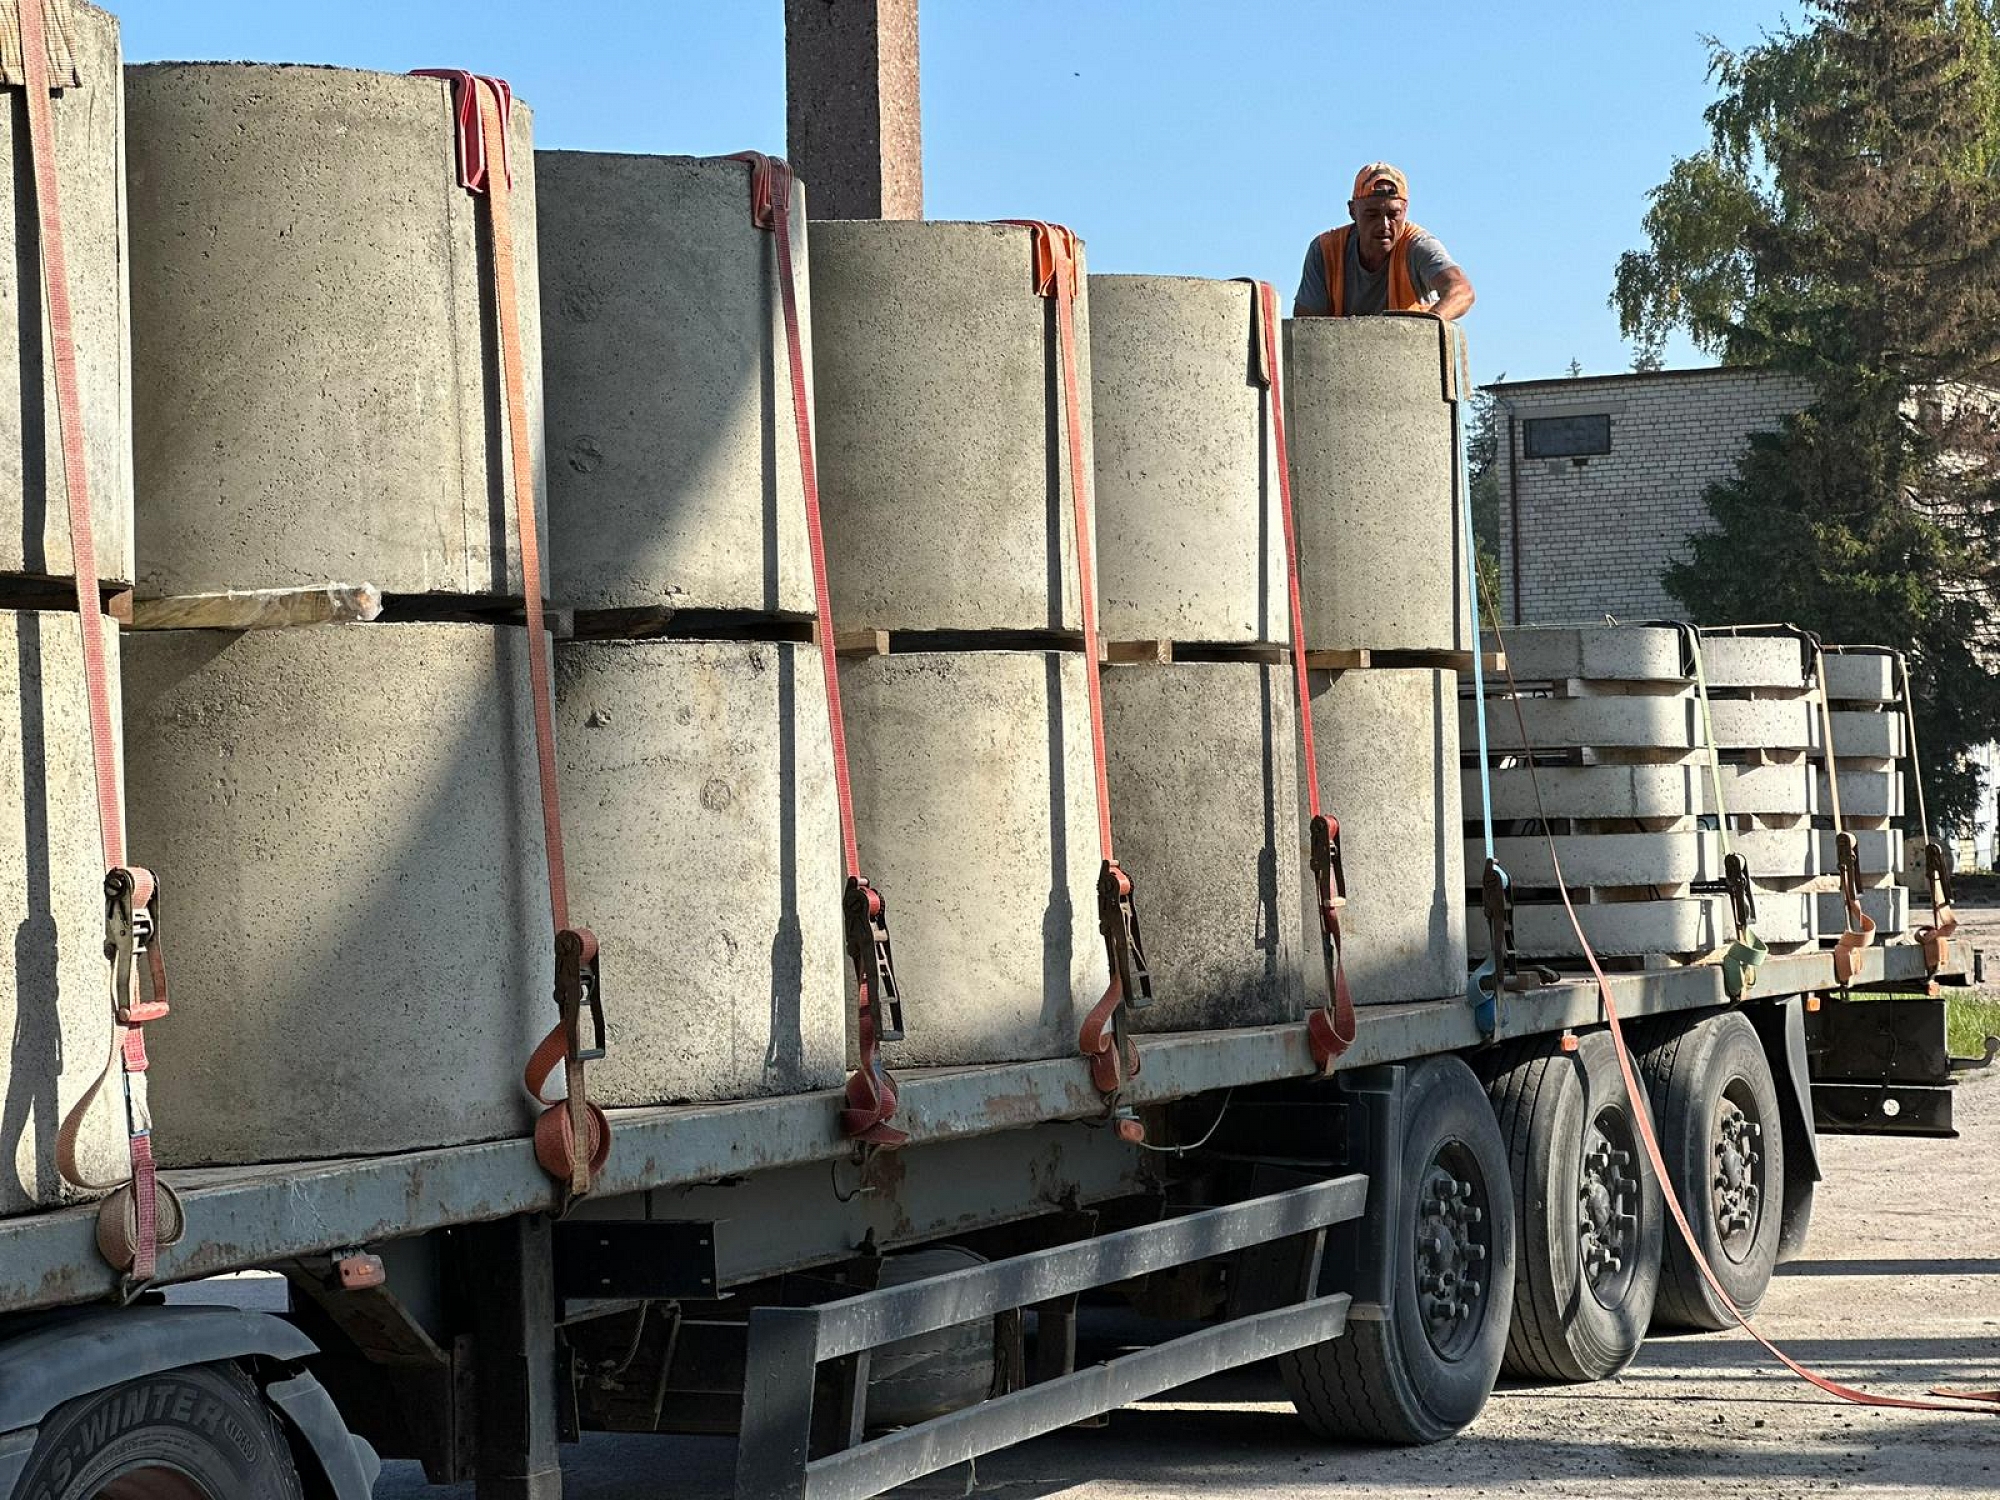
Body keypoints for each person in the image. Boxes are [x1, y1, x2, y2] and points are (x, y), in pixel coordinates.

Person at [1293, 163, 1474, 320]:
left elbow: (1461, 290)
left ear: (1405, 210)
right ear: (1353, 211)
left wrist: (1428, 325)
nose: (1384, 225)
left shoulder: (1417, 246)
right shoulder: (1326, 250)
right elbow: (1305, 325)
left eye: (1393, 215)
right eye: (1372, 215)